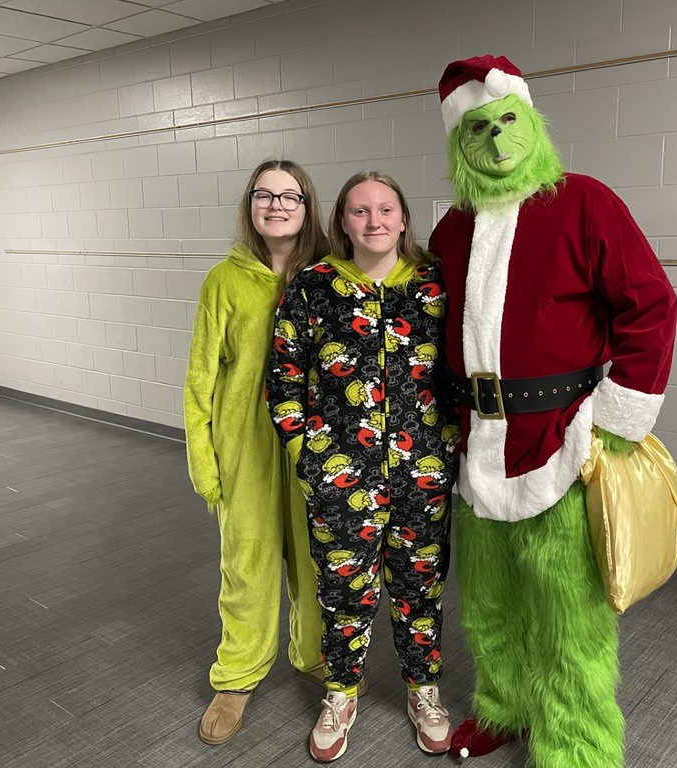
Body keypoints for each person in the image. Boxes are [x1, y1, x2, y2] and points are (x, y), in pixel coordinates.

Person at [428, 56, 677, 767]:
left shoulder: (585, 202)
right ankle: (504, 707)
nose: (496, 139)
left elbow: (650, 305)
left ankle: (577, 746)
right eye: (478, 128)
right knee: (488, 604)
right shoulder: (453, 229)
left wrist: (613, 420)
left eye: (508, 121)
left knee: (570, 619)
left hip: (564, 441)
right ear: (459, 143)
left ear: (532, 124)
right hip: (478, 447)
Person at [265, 171, 460, 762]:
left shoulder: (434, 286)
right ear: (341, 222)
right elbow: (284, 379)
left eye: (385, 210)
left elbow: (457, 369)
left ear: (403, 219)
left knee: (420, 588)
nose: (373, 222)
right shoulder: (313, 287)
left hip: (422, 469)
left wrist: (448, 445)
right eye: (359, 211)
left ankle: (423, 690)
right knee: (342, 591)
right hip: (340, 476)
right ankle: (341, 692)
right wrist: (310, 457)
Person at [184, 159, 330, 746]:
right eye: (263, 195)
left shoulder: (326, 277)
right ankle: (237, 676)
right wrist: (205, 463)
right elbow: (199, 380)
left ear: (306, 205)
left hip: (311, 443)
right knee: (246, 564)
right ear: (250, 205)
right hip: (244, 445)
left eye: (288, 195)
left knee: (318, 557)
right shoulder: (224, 280)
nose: (276, 205)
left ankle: (314, 653)